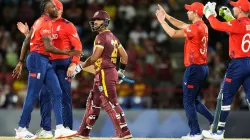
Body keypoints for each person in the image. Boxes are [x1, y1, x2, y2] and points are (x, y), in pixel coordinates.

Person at [12, 0, 80, 139]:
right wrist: (68, 53)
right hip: (38, 59)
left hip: (44, 61)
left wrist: (20, 62)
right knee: (33, 94)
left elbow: (27, 41)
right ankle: (21, 129)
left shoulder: (39, 22)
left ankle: (60, 128)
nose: (57, 8)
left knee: (57, 92)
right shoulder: (45, 23)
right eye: (53, 7)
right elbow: (48, 47)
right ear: (47, 10)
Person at [155, 3, 214, 140]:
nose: (187, 12)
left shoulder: (195, 28)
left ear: (196, 13)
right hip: (202, 68)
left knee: (188, 101)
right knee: (194, 100)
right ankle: (214, 122)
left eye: (189, 11)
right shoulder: (202, 26)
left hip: (194, 68)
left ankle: (195, 133)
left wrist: (162, 21)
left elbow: (173, 33)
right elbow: (182, 25)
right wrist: (168, 16)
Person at [76, 10, 132, 139]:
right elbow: (124, 56)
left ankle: (124, 132)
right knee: (93, 102)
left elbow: (94, 57)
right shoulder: (114, 37)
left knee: (110, 102)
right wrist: (121, 71)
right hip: (106, 72)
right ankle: (84, 132)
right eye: (94, 20)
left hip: (104, 73)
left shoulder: (100, 37)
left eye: (98, 20)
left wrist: (81, 66)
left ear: (105, 22)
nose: (95, 22)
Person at [202, 0, 250, 139]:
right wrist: (230, 18)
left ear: (240, 10)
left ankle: (218, 131)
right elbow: (240, 31)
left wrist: (209, 14)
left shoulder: (237, 24)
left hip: (238, 64)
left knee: (224, 97)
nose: (232, 7)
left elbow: (216, 25)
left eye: (235, 6)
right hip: (249, 61)